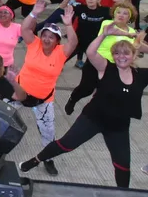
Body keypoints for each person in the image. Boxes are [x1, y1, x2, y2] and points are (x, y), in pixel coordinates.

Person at [20, 29, 147, 188]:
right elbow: (91, 52)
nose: (121, 56)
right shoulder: (105, 68)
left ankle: (122, 195)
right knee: (65, 145)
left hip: (118, 127)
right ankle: (36, 159)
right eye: (117, 53)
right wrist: (104, 35)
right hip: (92, 119)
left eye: (126, 53)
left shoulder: (142, 75)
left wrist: (141, 45)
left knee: (123, 165)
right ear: (113, 56)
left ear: (134, 55)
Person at [13, 0, 78, 176]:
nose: (46, 39)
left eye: (51, 36)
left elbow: (73, 42)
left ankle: (48, 159)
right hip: (18, 93)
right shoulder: (34, 44)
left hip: (43, 100)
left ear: (57, 41)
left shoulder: (61, 53)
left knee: (48, 132)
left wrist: (68, 25)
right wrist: (34, 12)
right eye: (45, 35)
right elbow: (25, 29)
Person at [63, 1, 139, 114]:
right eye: (118, 12)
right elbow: (114, 32)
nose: (121, 15)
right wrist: (127, 35)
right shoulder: (107, 24)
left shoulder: (132, 32)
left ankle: (95, 112)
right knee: (86, 89)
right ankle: (73, 99)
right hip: (96, 62)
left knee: (105, 91)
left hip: (114, 67)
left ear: (130, 17)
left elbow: (136, 46)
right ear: (114, 14)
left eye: (125, 13)